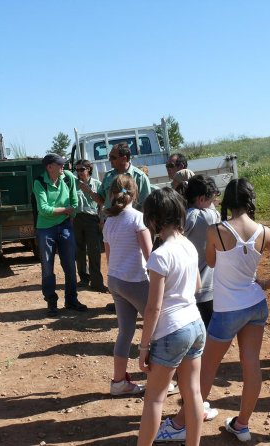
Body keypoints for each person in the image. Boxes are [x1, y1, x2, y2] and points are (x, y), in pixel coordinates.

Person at [156, 178, 270, 443]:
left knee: (207, 369)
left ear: (227, 203)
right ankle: (242, 424)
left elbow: (210, 261)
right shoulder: (265, 232)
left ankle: (180, 424)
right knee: (251, 364)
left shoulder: (216, 231)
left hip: (226, 309)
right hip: (255, 304)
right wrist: (266, 284)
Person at [137, 187, 205, 446]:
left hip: (171, 330)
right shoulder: (188, 245)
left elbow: (153, 307)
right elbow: (197, 285)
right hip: (195, 324)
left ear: (153, 219)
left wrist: (144, 346)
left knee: (155, 398)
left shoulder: (159, 255)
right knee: (193, 392)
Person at [103, 175, 152, 395]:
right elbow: (150, 256)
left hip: (115, 280)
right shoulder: (138, 219)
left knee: (125, 331)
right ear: (135, 193)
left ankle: (118, 382)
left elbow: (109, 255)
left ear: (112, 194)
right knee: (158, 328)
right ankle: (162, 379)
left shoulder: (109, 221)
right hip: (135, 280)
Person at [33, 153, 86, 316]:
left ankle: (71, 300)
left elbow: (74, 202)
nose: (64, 166)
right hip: (45, 229)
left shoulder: (68, 177)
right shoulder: (39, 182)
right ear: (50, 167)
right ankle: (51, 302)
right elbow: (43, 210)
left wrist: (70, 215)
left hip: (64, 226)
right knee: (47, 266)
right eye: (60, 164)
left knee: (70, 265)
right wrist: (65, 211)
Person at [183, 175, 220, 327]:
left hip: (184, 289)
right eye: (211, 200)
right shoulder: (207, 217)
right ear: (201, 199)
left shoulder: (181, 215)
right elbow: (217, 214)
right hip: (205, 289)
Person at [79, 141, 151, 210]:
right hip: (111, 220)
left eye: (113, 157)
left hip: (131, 221)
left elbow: (146, 205)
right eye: (109, 156)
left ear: (124, 158)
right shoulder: (108, 176)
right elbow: (102, 200)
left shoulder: (139, 177)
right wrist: (90, 192)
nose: (109, 159)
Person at [74, 159, 107, 293]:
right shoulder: (73, 185)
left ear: (89, 170)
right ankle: (83, 278)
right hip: (76, 218)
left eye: (82, 169)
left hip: (92, 219)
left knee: (94, 250)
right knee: (79, 250)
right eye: (77, 170)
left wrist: (101, 220)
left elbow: (101, 202)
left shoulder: (97, 184)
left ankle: (97, 282)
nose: (79, 172)